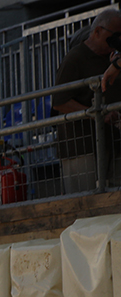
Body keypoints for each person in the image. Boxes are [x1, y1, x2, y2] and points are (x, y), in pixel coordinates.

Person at [52, 9, 121, 192]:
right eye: (114, 36)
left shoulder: (113, 59)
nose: (117, 42)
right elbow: (59, 101)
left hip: (113, 143)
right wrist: (98, 115)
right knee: (84, 204)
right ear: (97, 31)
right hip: (81, 148)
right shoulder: (75, 58)